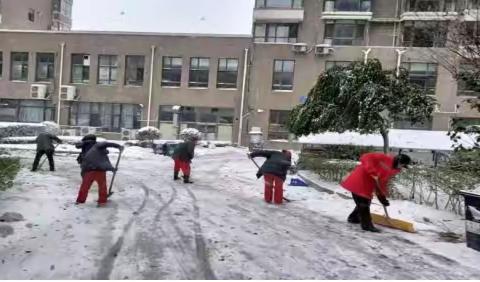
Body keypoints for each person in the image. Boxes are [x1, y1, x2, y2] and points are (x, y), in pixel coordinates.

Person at [341, 153, 411, 232]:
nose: (402, 168)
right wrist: (371, 170)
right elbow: (365, 157)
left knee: (365, 202)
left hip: (368, 185)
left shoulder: (393, 170)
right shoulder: (384, 158)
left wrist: (382, 197)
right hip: (359, 179)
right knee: (363, 203)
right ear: (399, 161)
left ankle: (354, 218)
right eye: (402, 165)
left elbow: (381, 183)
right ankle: (367, 225)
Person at [75, 141, 124, 206]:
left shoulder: (94, 152)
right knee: (102, 187)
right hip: (99, 171)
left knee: (84, 187)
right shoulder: (98, 146)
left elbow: (105, 163)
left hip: (89, 171)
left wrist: (112, 169)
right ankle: (102, 201)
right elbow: (106, 144)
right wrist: (118, 146)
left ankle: (80, 201)